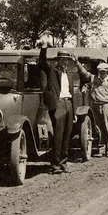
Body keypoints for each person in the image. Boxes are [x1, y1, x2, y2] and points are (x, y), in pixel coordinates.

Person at [38, 38, 75, 173]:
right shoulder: (52, 71)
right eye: (62, 59)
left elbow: (72, 92)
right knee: (58, 135)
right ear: (58, 61)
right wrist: (43, 48)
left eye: (66, 60)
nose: (64, 62)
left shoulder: (69, 75)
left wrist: (74, 111)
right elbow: (42, 63)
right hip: (58, 104)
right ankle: (55, 164)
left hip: (69, 104)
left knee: (67, 135)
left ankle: (63, 162)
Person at [76, 59, 108, 157]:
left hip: (105, 105)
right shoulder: (94, 78)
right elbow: (85, 73)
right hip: (95, 105)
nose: (102, 74)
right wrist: (77, 64)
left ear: (107, 72)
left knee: (107, 126)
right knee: (97, 127)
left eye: (104, 72)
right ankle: (100, 147)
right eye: (101, 72)